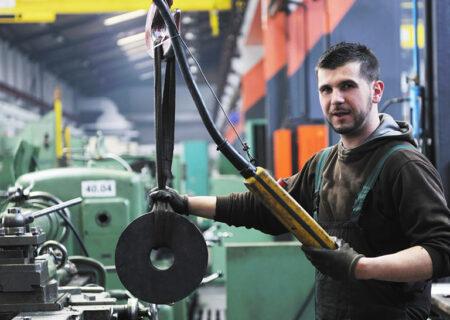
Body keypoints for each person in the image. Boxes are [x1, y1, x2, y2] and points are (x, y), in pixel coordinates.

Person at [150, 42, 450, 320]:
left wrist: (360, 267)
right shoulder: (322, 164)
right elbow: (268, 209)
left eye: (347, 86)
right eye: (326, 89)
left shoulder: (403, 164)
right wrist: (185, 203)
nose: (336, 99)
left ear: (376, 91)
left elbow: (441, 250)